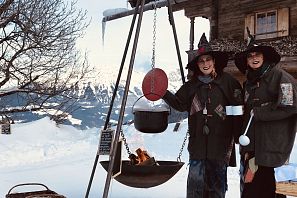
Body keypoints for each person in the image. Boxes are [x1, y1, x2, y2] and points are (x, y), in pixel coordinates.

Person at [162, 33, 243, 198]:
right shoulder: (191, 86)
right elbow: (179, 104)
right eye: (201, 61)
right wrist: (163, 92)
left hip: (220, 145)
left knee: (216, 189)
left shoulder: (228, 82)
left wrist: (238, 136)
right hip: (198, 145)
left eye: (208, 60)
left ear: (214, 62)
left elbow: (238, 109)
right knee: (196, 189)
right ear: (197, 65)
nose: (205, 64)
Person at [234, 32, 297, 198]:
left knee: (269, 191)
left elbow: (290, 107)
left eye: (257, 54)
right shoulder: (249, 83)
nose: (254, 58)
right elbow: (248, 114)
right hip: (252, 149)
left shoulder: (282, 78)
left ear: (264, 57)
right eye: (250, 56)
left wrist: (262, 112)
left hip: (272, 150)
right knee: (249, 190)